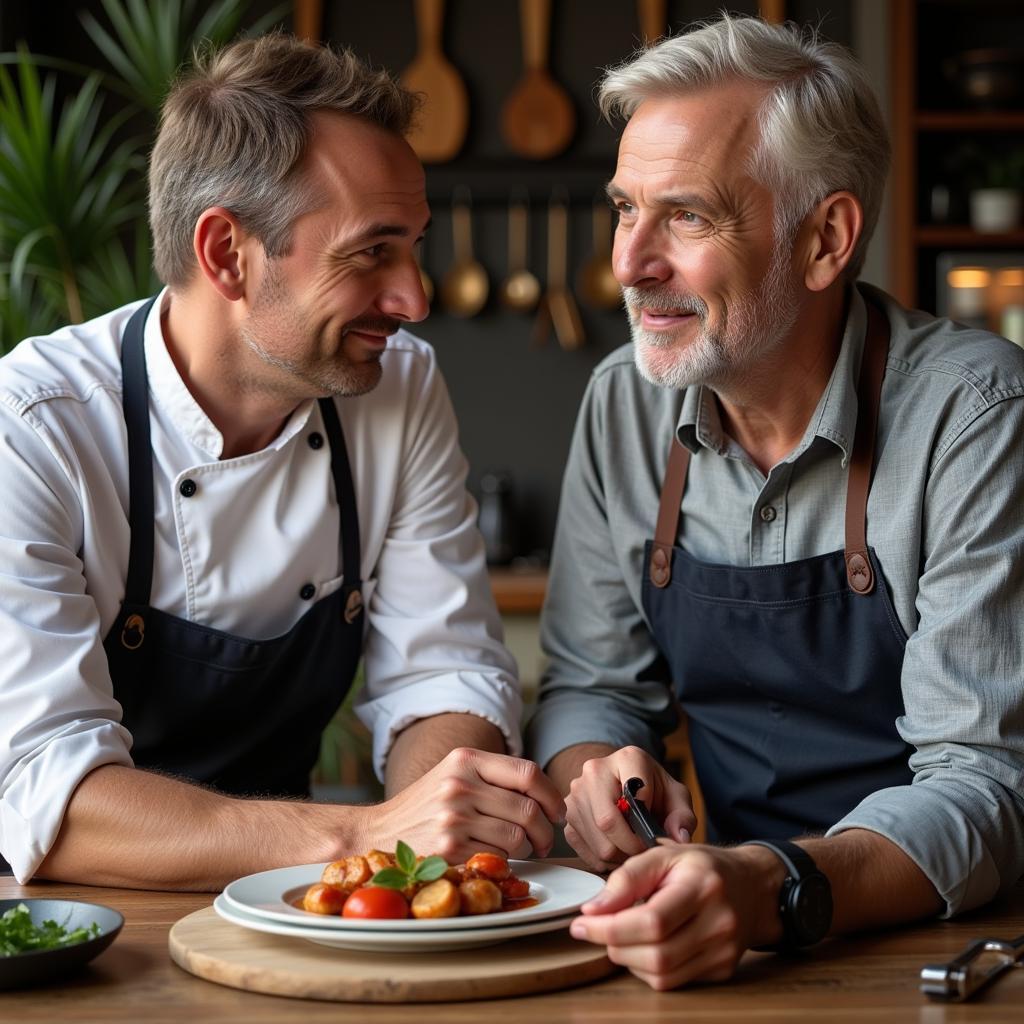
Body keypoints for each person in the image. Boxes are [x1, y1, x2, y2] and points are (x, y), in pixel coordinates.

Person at [527, 14, 1024, 990]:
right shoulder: (624, 403)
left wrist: (770, 884)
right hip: (718, 936)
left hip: (950, 948)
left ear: (825, 238)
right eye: (625, 208)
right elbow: (593, 687)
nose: (629, 262)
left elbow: (984, 784)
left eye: (688, 216)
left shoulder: (976, 412)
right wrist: (602, 775)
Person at [0, 33, 563, 889]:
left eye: (414, 245)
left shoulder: (397, 390)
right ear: (227, 253)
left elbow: (444, 674)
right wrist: (366, 838)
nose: (414, 298)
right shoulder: (34, 426)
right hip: (69, 931)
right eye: (372, 251)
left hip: (289, 901)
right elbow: (50, 795)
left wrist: (422, 874)